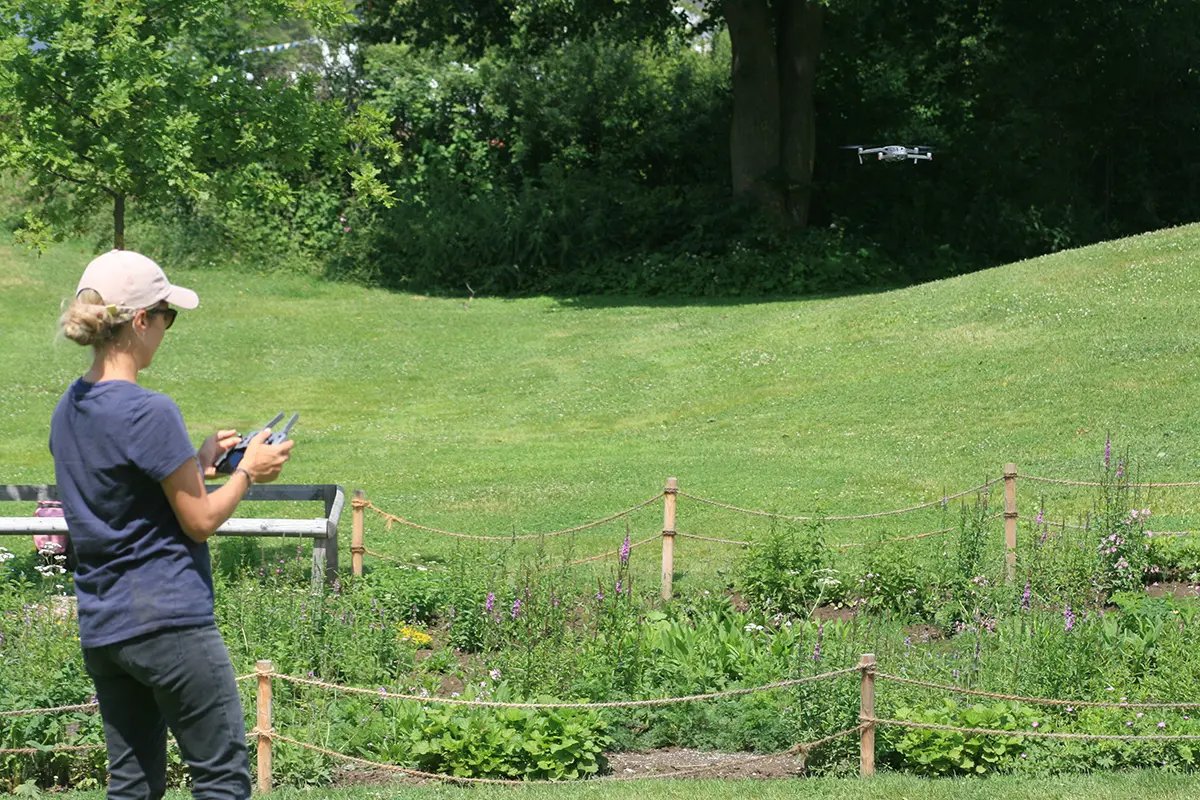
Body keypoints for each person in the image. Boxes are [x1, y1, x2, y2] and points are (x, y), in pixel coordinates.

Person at [48, 250, 294, 800]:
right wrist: (248, 472)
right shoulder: (148, 410)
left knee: (133, 785)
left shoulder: (70, 407)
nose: (166, 329)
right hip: (169, 624)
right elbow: (201, 520)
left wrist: (199, 465)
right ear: (140, 320)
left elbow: (121, 490)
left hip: (106, 628)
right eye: (167, 317)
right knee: (221, 778)